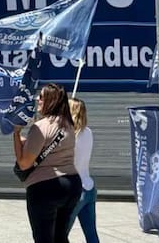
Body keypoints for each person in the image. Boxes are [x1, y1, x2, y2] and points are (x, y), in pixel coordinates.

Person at [13, 83, 81, 243]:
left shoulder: (40, 127)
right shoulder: (68, 124)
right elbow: (46, 146)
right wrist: (26, 141)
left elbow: (23, 163)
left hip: (45, 188)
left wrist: (16, 134)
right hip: (72, 185)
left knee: (43, 238)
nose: (37, 99)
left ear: (51, 100)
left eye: (41, 96)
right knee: (60, 237)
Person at [66, 98, 99, 243]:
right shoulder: (88, 132)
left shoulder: (67, 135)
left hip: (73, 191)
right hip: (89, 187)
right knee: (91, 234)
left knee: (59, 234)